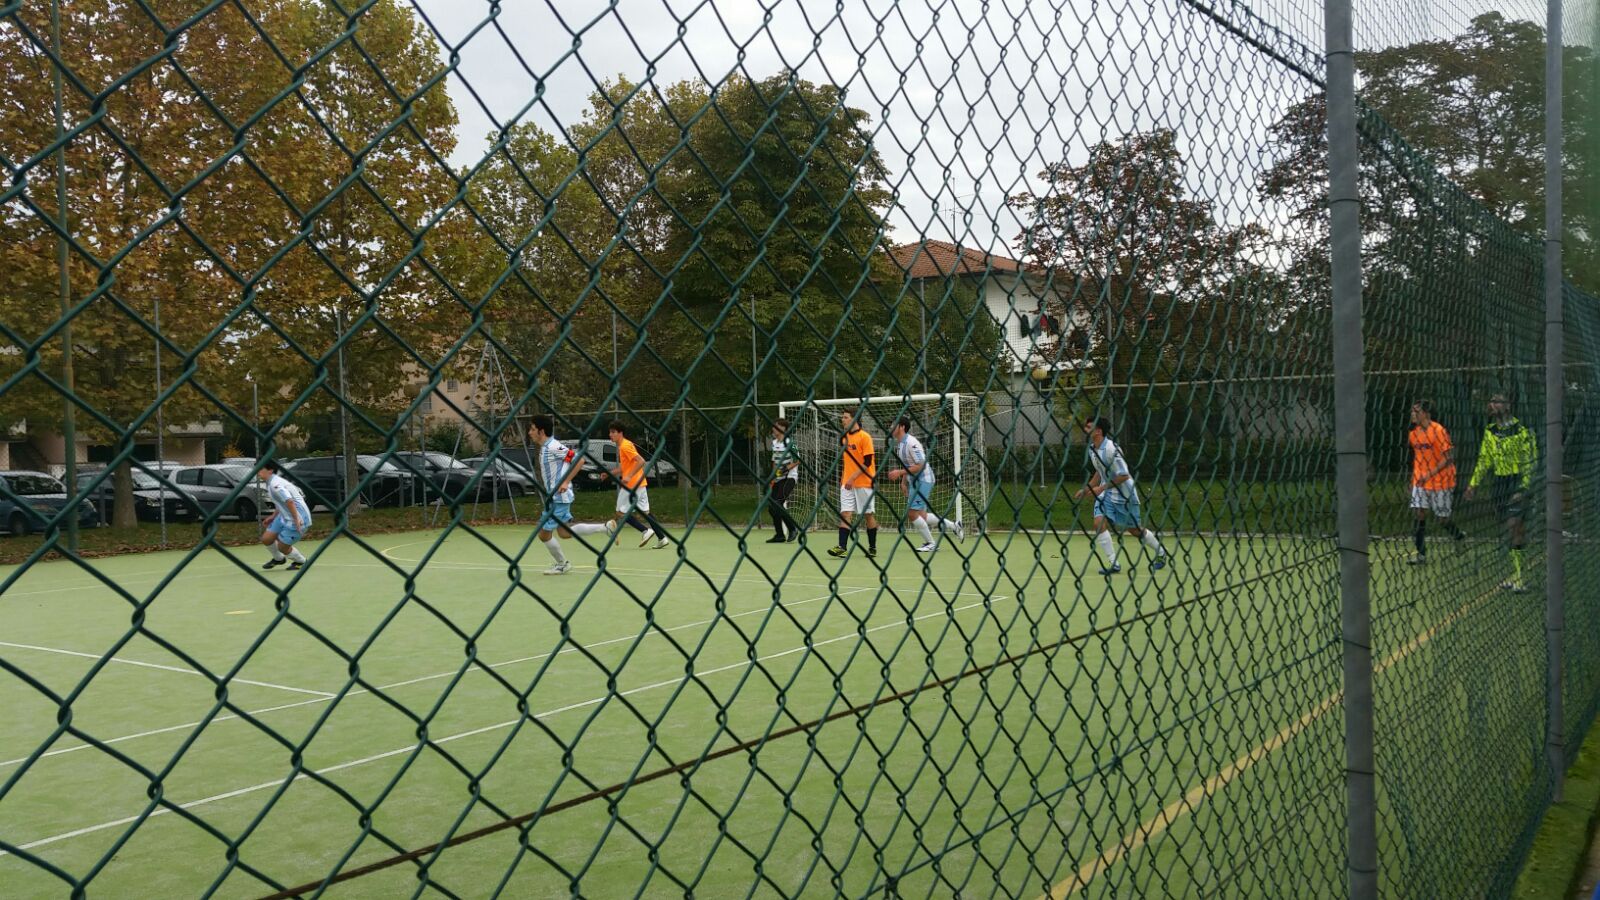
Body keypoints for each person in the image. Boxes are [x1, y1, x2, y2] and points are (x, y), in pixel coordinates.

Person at [1074, 416, 1167, 575]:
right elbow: (1099, 470)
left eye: (1089, 427)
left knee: (1135, 530)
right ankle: (1114, 563)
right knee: (1098, 523)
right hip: (1106, 494)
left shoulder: (1111, 449)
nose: (1085, 430)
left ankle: (1160, 553)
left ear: (1098, 431)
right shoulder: (1092, 449)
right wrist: (1088, 488)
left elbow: (1124, 475)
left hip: (1124, 495)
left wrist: (1101, 488)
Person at [1464, 393, 1538, 593]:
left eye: (1497, 401)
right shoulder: (1490, 431)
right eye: (1491, 401)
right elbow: (1484, 460)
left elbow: (1531, 461)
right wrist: (1473, 484)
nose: (1492, 404)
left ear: (1508, 405)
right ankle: (1514, 573)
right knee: (1510, 530)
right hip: (1499, 483)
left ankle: (1521, 578)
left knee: (1514, 525)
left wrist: (1523, 487)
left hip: (1517, 481)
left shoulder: (1522, 431)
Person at [528, 415, 614, 575]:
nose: (529, 432)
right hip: (556, 497)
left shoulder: (553, 446)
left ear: (541, 431)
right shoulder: (546, 447)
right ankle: (604, 528)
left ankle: (562, 564)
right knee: (564, 533)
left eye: (532, 429)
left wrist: (565, 481)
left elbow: (579, 461)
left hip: (558, 498)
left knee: (543, 533)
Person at [886, 416, 964, 552]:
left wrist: (899, 472)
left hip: (924, 480)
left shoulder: (911, 442)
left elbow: (920, 465)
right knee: (921, 516)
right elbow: (908, 464)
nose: (890, 427)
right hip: (915, 481)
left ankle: (931, 543)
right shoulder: (900, 444)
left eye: (893, 424)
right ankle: (954, 526)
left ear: (902, 427)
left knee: (912, 513)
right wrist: (903, 482)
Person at [1407, 400, 1465, 565]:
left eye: (1416, 412)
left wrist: (1429, 474)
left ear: (1426, 413)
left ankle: (1459, 536)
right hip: (1421, 481)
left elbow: (1448, 458)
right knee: (1419, 514)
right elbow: (1416, 458)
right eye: (1412, 411)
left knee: (1442, 519)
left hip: (1441, 481)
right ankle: (1421, 554)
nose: (1413, 415)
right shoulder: (1413, 433)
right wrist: (1414, 480)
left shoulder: (1438, 430)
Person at [601, 422, 670, 549]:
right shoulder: (624, 445)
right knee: (646, 512)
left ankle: (645, 531)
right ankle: (662, 538)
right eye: (610, 432)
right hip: (640, 483)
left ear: (620, 433)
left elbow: (641, 461)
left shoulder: (625, 446)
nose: (610, 435)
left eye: (613, 432)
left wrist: (628, 476)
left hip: (631, 485)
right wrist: (610, 473)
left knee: (621, 513)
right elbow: (625, 466)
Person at [828, 409, 878, 559]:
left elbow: (867, 462)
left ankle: (872, 547)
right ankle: (842, 547)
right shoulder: (844, 438)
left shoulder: (865, 437)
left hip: (864, 483)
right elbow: (847, 462)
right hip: (847, 483)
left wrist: (852, 478)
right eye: (842, 417)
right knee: (845, 513)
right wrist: (845, 479)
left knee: (868, 515)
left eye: (845, 417)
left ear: (854, 419)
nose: (842, 420)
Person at [258, 460, 311, 571]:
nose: (257, 472)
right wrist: (273, 516)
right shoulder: (270, 482)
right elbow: (281, 502)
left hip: (299, 518)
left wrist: (296, 520)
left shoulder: (275, 484)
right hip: (283, 516)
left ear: (270, 470)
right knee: (266, 539)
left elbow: (289, 501)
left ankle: (301, 561)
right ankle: (279, 559)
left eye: (260, 469)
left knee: (282, 547)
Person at [766, 418, 802, 543]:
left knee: (777, 503)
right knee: (772, 507)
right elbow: (774, 461)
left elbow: (797, 460)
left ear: (783, 429)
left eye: (775, 426)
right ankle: (779, 535)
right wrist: (773, 476)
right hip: (778, 478)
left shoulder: (789, 443)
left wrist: (785, 469)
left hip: (789, 478)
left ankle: (793, 529)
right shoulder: (775, 442)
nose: (773, 429)